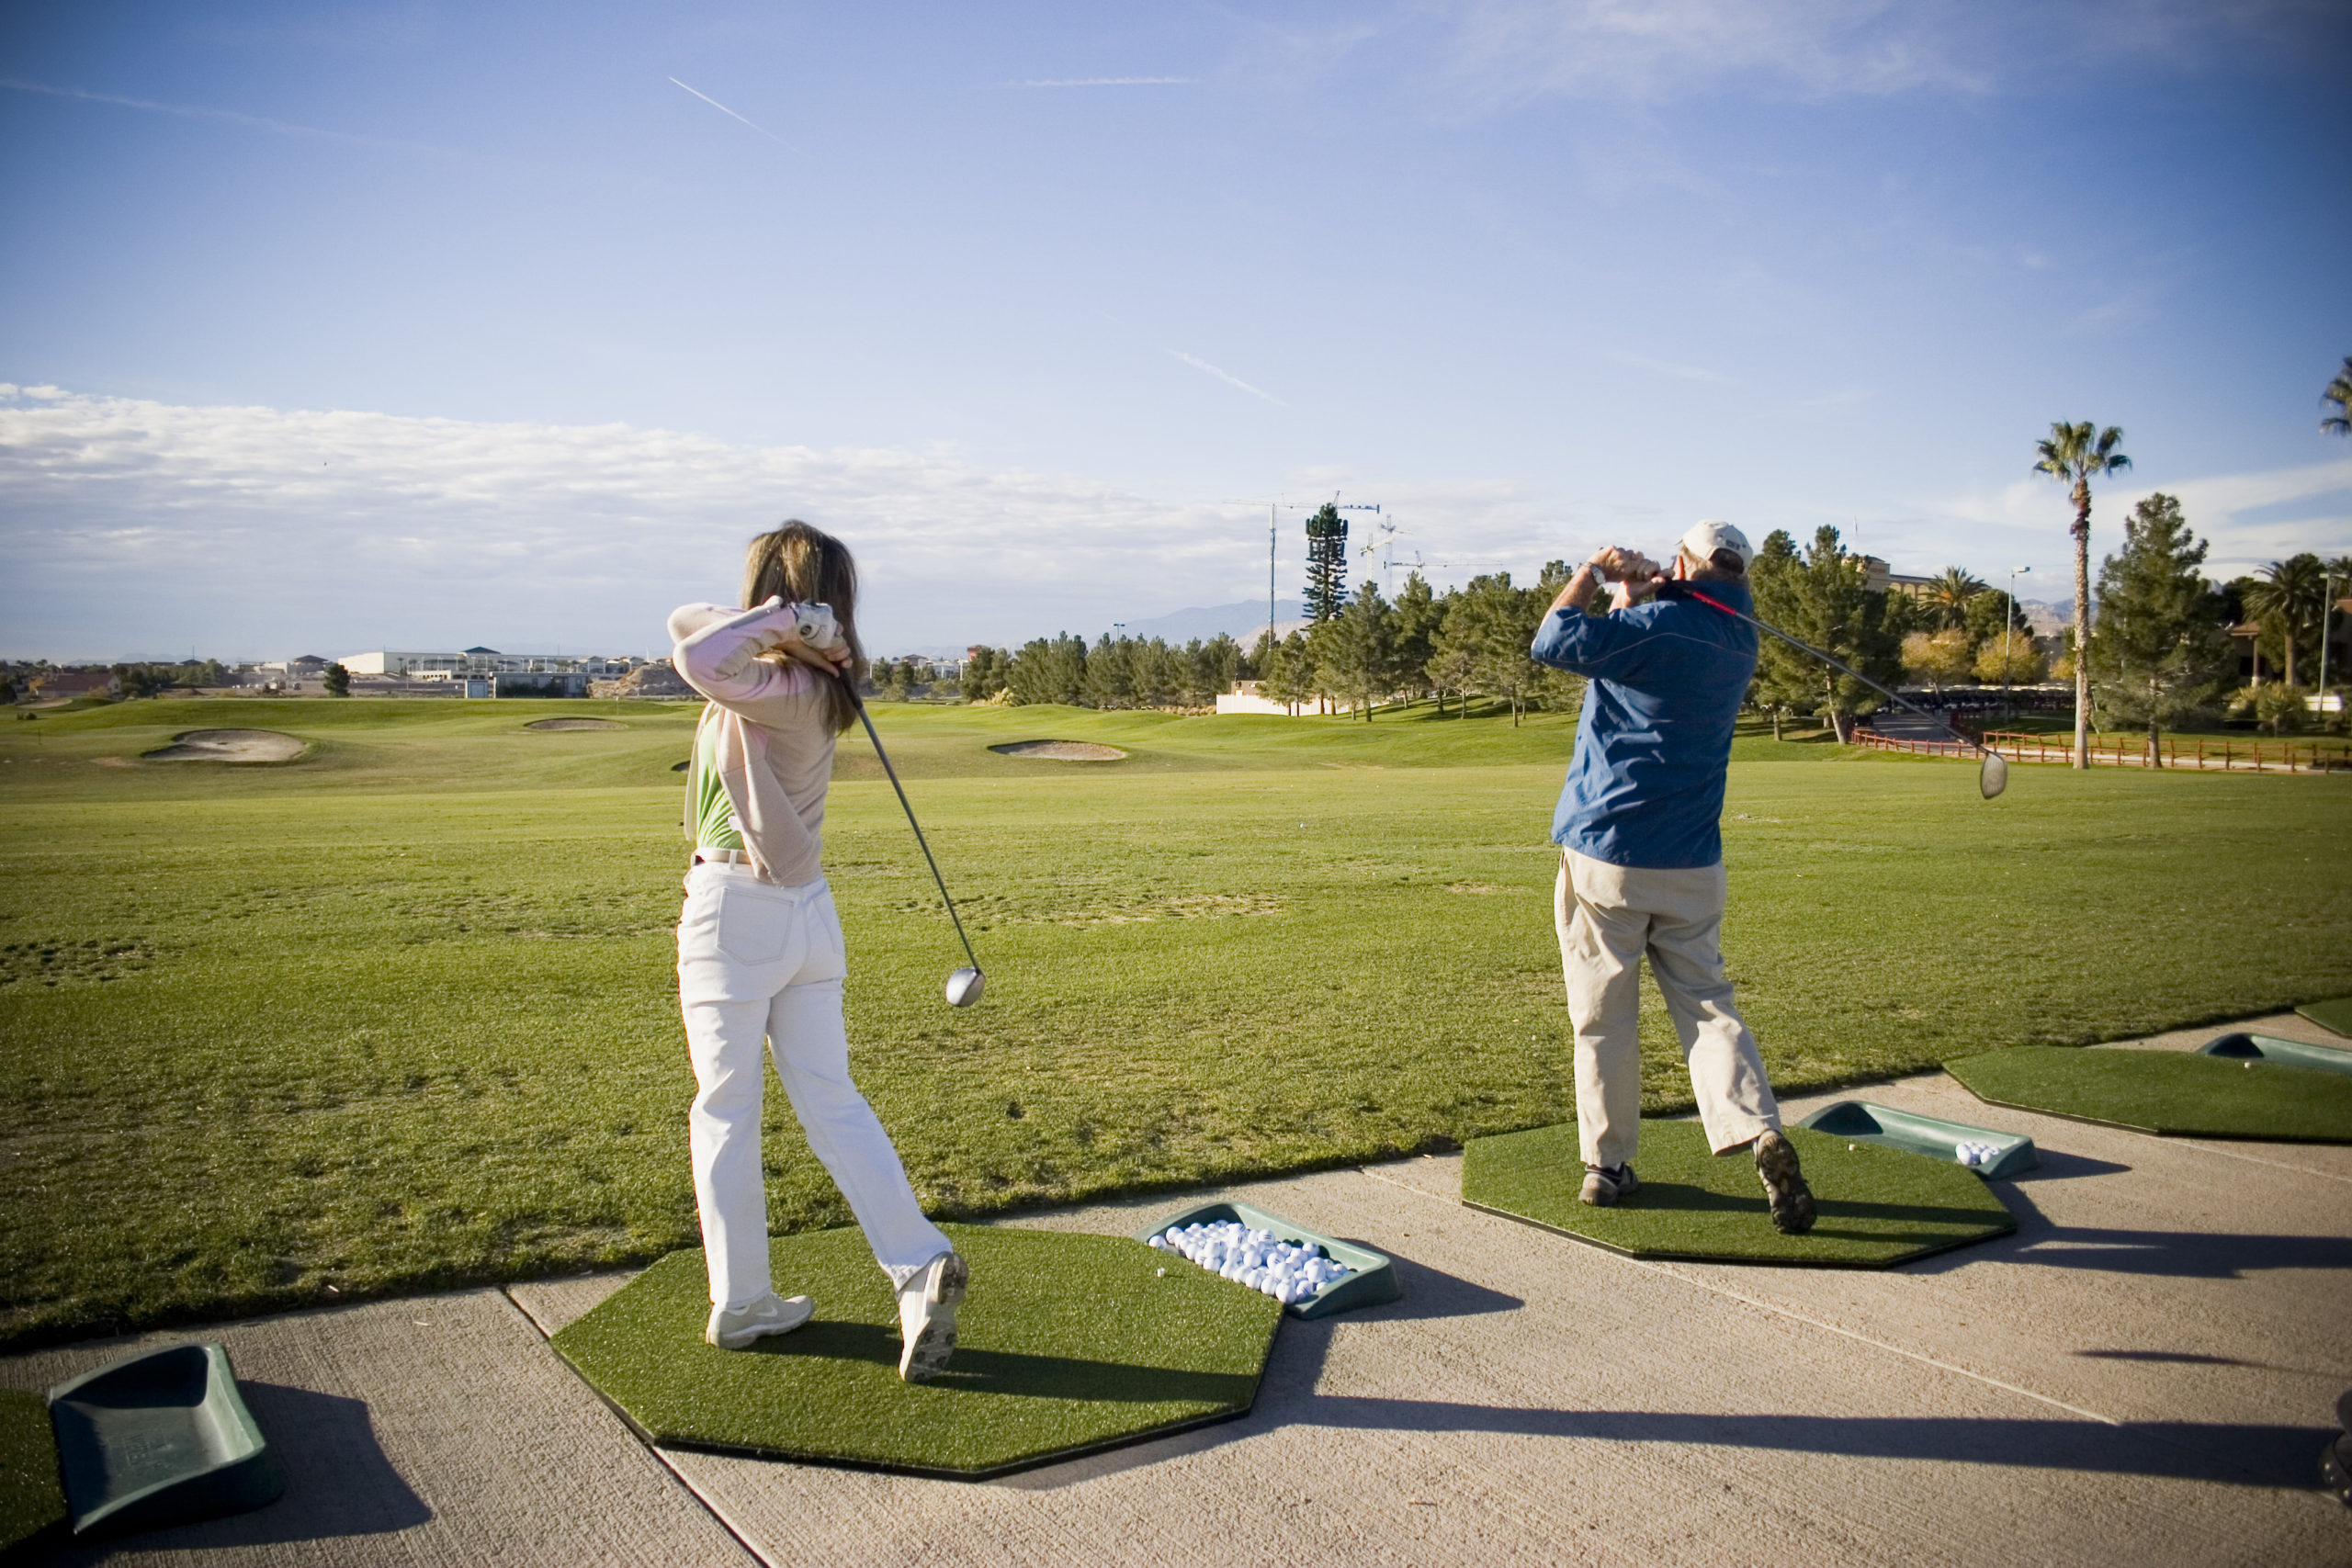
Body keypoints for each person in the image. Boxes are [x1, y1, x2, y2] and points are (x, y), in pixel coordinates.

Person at [667, 521, 968, 1378]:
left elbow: (696, 659)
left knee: (725, 1107)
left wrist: (783, 624)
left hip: (735, 912)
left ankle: (742, 1299)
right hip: (807, 919)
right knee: (833, 1101)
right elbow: (685, 623)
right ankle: (916, 1268)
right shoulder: (816, 680)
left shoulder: (785, 688)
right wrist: (793, 620)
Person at [1527, 520, 1816, 1235]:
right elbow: (1640, 654)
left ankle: (1607, 1164)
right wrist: (1639, 592)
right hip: (1692, 863)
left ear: (1687, 563)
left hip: (1609, 854)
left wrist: (1595, 572)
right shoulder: (1738, 639)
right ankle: (1757, 1128)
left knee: (1603, 1017)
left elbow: (1555, 639)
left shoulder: (1660, 625)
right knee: (1708, 1006)